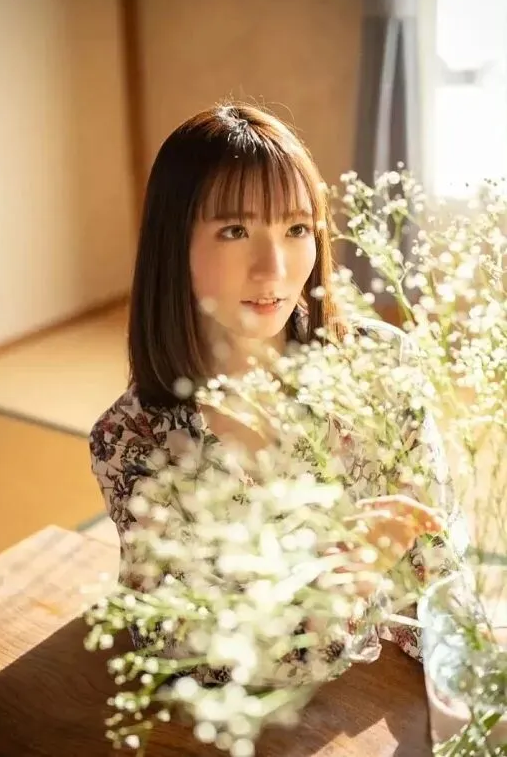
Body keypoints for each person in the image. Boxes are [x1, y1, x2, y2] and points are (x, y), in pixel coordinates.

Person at [89, 103, 465, 679]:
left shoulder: (383, 364)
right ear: (174, 243)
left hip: (403, 687)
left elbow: (439, 572)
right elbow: (190, 652)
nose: (274, 269)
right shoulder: (133, 439)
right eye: (235, 231)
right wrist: (345, 580)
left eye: (296, 230)